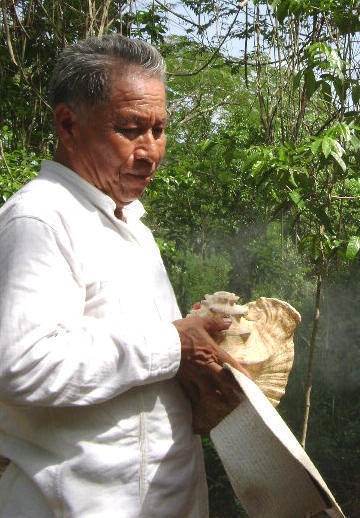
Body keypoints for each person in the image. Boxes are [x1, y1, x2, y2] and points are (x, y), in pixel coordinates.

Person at [0, 35, 246, 518]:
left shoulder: (132, 226)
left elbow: (141, 357)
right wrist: (173, 345)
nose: (150, 151)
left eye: (159, 129)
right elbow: (21, 363)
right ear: (68, 125)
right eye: (131, 129)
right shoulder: (41, 218)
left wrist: (198, 345)